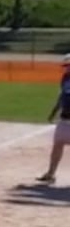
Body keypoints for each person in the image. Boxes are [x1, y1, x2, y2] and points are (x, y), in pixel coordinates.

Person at [37, 55, 70, 184]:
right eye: (65, 66)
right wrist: (54, 112)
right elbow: (62, 96)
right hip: (64, 119)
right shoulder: (65, 78)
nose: (65, 68)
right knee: (58, 145)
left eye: (67, 66)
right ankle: (51, 174)